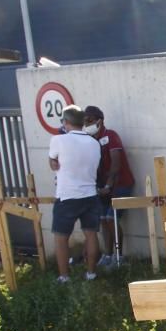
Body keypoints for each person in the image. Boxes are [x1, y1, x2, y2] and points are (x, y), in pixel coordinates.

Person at [49, 105, 102, 283]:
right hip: (90, 194)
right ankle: (91, 273)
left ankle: (64, 276)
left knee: (61, 237)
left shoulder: (58, 140)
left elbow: (53, 163)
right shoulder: (95, 143)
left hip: (67, 196)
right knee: (91, 235)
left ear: (66, 122)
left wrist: (54, 162)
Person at [84, 106, 134, 266]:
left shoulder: (110, 136)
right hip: (103, 187)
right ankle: (108, 255)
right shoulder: (90, 140)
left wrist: (108, 185)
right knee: (103, 220)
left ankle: (120, 257)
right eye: (84, 121)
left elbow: (116, 163)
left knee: (111, 218)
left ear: (100, 120)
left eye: (90, 120)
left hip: (120, 185)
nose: (87, 123)